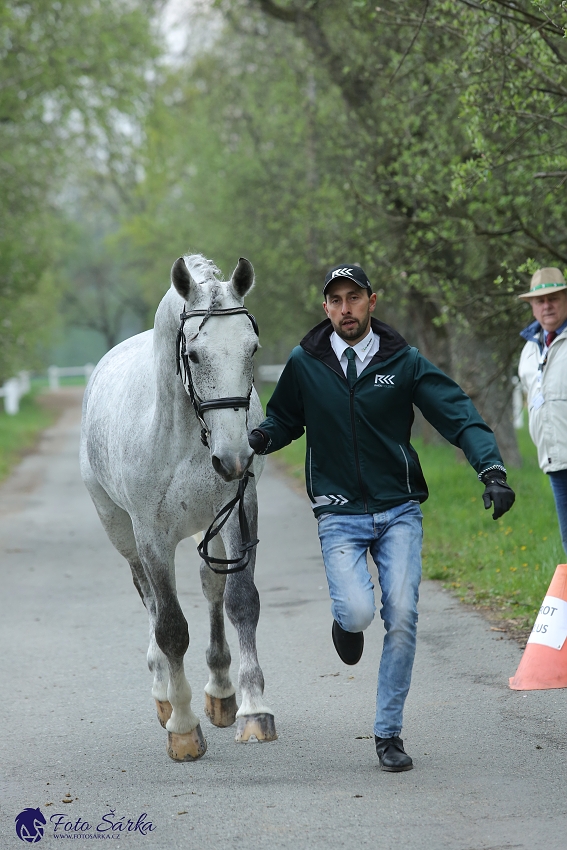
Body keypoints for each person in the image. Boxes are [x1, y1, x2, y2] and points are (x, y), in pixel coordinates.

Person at [248, 264, 515, 771]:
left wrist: (492, 470)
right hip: (339, 512)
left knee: (404, 617)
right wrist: (262, 438)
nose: (345, 308)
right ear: (325, 308)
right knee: (357, 613)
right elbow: (284, 417)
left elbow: (456, 411)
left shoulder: (404, 361)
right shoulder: (306, 363)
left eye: (354, 298)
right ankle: (346, 624)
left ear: (373, 301)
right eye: (336, 300)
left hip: (398, 509)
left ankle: (388, 733)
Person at [518, 267, 567, 555]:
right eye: (540, 301)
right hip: (555, 462)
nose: (547, 305)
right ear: (533, 307)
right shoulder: (530, 348)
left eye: (554, 298)